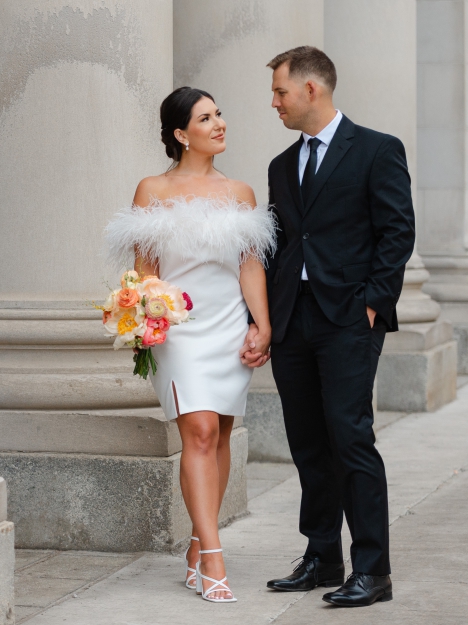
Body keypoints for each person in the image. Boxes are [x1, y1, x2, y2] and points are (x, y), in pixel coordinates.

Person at [241, 46, 413, 608]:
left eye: (280, 92)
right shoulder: (279, 166)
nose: (275, 103)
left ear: (311, 89)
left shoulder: (377, 150)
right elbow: (277, 248)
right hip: (295, 320)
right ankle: (321, 556)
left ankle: (373, 569)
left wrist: (372, 303)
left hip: (349, 319)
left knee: (351, 437)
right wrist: (262, 320)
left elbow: (396, 232)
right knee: (308, 442)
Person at [104, 87, 276, 604]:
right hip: (176, 327)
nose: (220, 123)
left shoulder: (241, 193)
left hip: (227, 324)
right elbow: (145, 270)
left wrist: (261, 325)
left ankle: (201, 541)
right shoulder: (151, 189)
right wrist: (142, 320)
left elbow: (250, 266)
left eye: (219, 113)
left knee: (220, 434)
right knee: (198, 430)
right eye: (207, 117)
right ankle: (215, 557)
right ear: (181, 134)